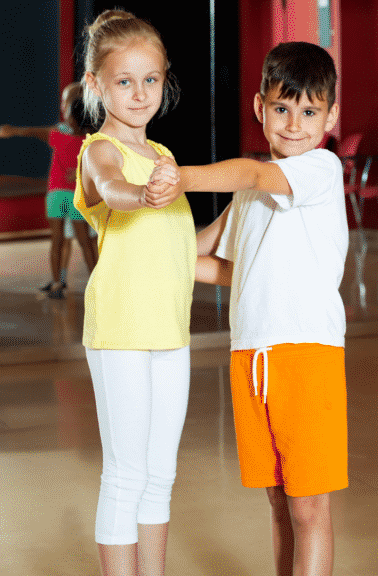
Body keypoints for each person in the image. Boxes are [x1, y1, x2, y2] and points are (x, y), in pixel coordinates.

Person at [155, 41, 349, 576]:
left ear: (330, 116)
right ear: (260, 107)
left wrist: (184, 177)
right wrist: (135, 247)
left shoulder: (320, 168)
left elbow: (257, 175)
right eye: (282, 109)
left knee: (309, 507)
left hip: (306, 355)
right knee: (279, 504)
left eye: (310, 112)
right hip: (253, 359)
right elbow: (213, 262)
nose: (294, 125)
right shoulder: (247, 195)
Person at [72, 9, 191, 576]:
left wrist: (248, 211)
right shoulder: (99, 150)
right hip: (120, 328)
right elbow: (112, 188)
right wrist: (140, 195)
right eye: (124, 81)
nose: (140, 93)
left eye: (151, 79)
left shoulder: (164, 157)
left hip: (170, 330)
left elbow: (187, 241)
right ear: (96, 85)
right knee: (125, 472)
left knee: (160, 473)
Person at [1, 81, 98, 298]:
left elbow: (101, 161)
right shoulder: (66, 133)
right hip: (65, 195)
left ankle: (93, 282)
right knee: (68, 241)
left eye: (68, 103)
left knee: (81, 241)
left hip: (72, 195)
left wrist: (81, 173)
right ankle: (58, 281)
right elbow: (35, 132)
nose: (63, 107)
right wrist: (13, 131)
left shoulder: (87, 138)